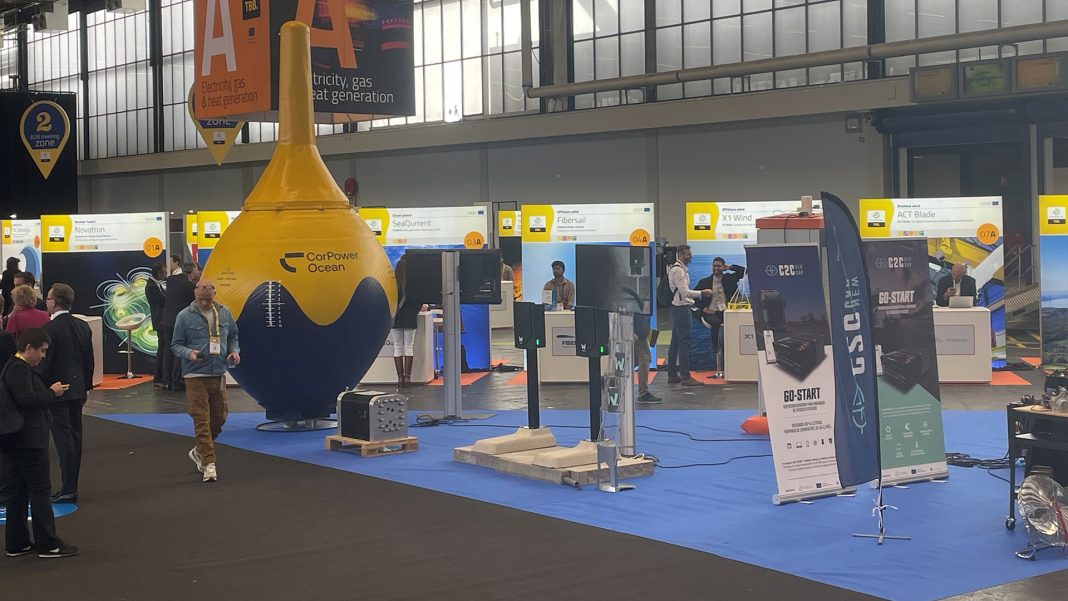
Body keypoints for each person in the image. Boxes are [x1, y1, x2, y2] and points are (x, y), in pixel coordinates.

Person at [1, 328, 79, 558]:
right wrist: (51, 393)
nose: (43, 356)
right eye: (42, 351)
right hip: (28, 440)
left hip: (16, 439)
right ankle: (48, 544)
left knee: (17, 492)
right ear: (29, 348)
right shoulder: (19, 369)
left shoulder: (12, 367)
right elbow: (27, 400)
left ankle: (17, 543)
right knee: (39, 490)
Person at [171, 279, 240, 483]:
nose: (204, 302)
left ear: (214, 295)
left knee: (219, 418)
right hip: (194, 375)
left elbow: (233, 336)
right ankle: (209, 464)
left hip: (218, 372)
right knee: (201, 418)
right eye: (201, 299)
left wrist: (234, 352)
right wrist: (189, 353)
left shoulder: (224, 313)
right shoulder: (184, 316)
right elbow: (175, 345)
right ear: (195, 294)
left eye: (208, 299)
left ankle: (199, 450)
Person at [38, 283, 94, 504]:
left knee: (64, 441)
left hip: (58, 391)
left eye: (48, 298)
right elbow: (88, 360)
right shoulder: (82, 326)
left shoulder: (49, 329)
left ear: (55, 301)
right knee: (75, 438)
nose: (46, 301)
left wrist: (41, 390)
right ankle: (70, 487)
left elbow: (45, 363)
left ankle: (68, 489)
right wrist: (87, 386)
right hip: (78, 389)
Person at [666, 244, 712, 387]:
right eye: (688, 254)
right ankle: (685, 377)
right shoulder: (679, 271)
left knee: (675, 342)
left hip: (677, 308)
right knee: (684, 343)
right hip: (681, 309)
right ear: (680, 255)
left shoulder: (678, 269)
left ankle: (672, 374)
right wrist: (702, 293)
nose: (690, 257)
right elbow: (685, 292)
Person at [694, 258, 746, 378]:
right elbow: (693, 296)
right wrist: (704, 308)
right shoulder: (704, 282)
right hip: (711, 312)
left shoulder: (730, 278)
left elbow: (745, 271)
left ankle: (731, 358)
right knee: (716, 322)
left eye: (719, 266)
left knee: (734, 325)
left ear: (723, 267)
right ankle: (715, 347)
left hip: (726, 311)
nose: (716, 268)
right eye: (714, 266)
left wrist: (730, 267)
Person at [159, 262, 197, 391]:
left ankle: (166, 381)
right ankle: (176, 382)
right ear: (193, 272)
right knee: (179, 350)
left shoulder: (170, 280)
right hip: (180, 321)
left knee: (167, 351)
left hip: (166, 320)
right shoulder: (190, 286)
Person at [390, 258, 419, 388]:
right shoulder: (413, 286)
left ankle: (399, 378)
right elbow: (418, 302)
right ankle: (408, 377)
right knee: (409, 346)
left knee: (397, 347)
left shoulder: (392, 286)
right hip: (410, 318)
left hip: (396, 319)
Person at [145, 263, 168, 389]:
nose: (165, 275)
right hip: (160, 322)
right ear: (159, 273)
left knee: (163, 349)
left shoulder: (157, 285)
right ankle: (159, 378)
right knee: (162, 349)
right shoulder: (151, 287)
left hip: (161, 321)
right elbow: (160, 302)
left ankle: (162, 377)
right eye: (164, 272)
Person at [634, 313, 661, 404]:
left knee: (640, 360)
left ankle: (643, 392)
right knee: (644, 359)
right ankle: (643, 393)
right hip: (638, 333)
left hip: (639, 332)